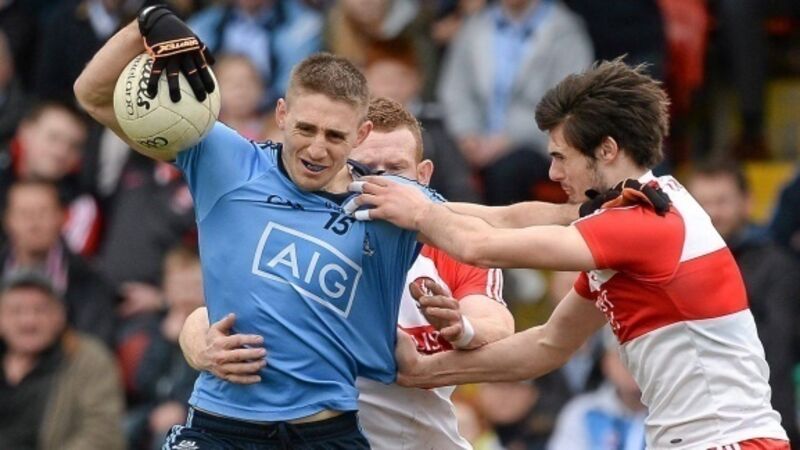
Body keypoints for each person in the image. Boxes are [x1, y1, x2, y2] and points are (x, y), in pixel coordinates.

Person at [351, 59, 790, 449]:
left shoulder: (641, 225)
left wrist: (418, 212)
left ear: (607, 150)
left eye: (562, 157)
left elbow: (479, 246)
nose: (553, 172)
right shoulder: (637, 211)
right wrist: (422, 372)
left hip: (728, 441)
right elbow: (545, 346)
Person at [73, 6, 438, 448]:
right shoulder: (226, 160)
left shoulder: (386, 205)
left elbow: (487, 232)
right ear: (281, 114)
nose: (316, 149)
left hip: (325, 433)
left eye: (334, 136)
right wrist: (145, 26)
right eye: (305, 128)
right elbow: (93, 95)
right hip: (221, 427)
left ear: (360, 136)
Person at [179, 97, 515, 450]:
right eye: (365, 168)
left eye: (395, 169)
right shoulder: (308, 235)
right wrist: (201, 349)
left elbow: (496, 324)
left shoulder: (453, 245)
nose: (381, 182)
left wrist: (461, 327)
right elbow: (210, 315)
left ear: (423, 175)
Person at [686, 160, 800, 445]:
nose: (712, 213)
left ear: (747, 203)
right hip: (693, 425)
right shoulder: (675, 268)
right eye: (702, 203)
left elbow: (779, 352)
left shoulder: (777, 266)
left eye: (722, 201)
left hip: (761, 423)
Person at [438, 0, 593, 205]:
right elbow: (456, 90)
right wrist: (467, 134)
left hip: (539, 143)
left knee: (507, 171)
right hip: (474, 141)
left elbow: (567, 103)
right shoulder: (475, 26)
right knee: (436, 156)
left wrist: (508, 140)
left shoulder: (566, 31)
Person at [0, 271, 125, 450]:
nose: (28, 322)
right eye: (16, 311)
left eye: (40, 310)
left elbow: (103, 434)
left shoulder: (87, 359)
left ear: (60, 316)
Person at [1, 180, 117, 347]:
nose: (34, 224)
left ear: (62, 218)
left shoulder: (91, 281)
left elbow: (95, 346)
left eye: (43, 213)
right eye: (24, 214)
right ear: (7, 220)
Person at [547, 329, 646, 450]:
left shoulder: (668, 412)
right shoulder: (582, 412)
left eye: (643, 355)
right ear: (605, 363)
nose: (633, 365)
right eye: (622, 356)